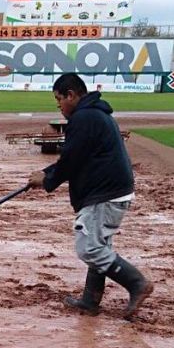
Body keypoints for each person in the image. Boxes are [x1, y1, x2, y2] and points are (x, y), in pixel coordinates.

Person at [27, 73, 153, 320]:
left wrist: (47, 179)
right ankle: (90, 300)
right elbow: (77, 157)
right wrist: (45, 174)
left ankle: (137, 283)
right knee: (100, 244)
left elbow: (71, 160)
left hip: (104, 193)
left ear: (71, 95)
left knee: (89, 248)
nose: (59, 106)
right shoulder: (96, 114)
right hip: (113, 190)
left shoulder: (84, 118)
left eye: (59, 100)